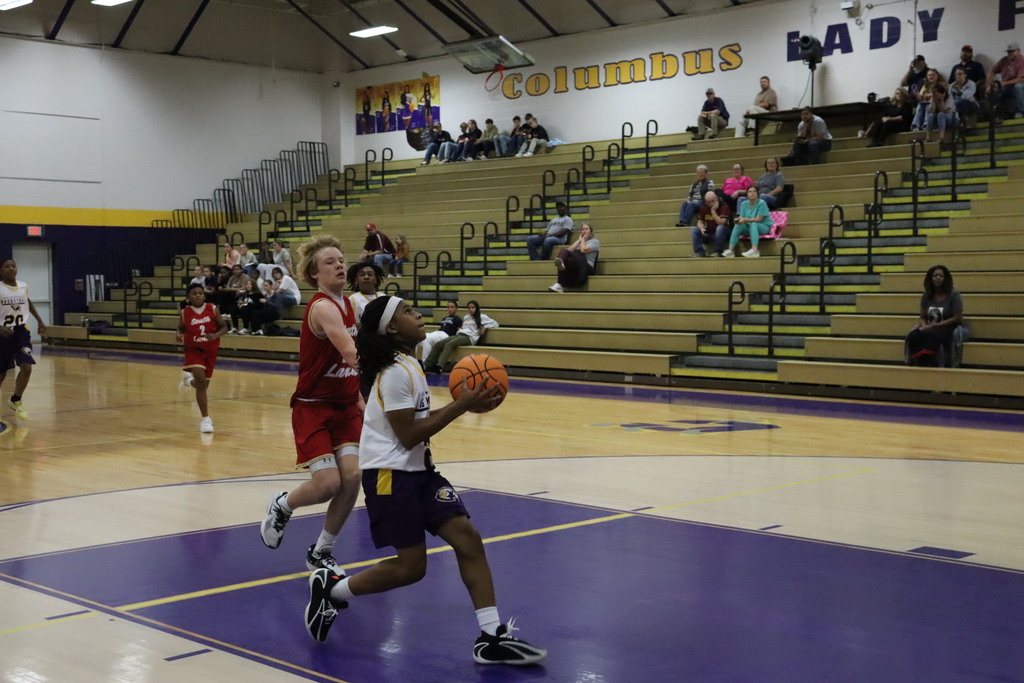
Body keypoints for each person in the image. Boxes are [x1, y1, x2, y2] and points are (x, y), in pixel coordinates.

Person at [304, 295, 546, 666]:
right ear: (392, 329)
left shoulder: (409, 361)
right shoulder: (395, 372)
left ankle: (491, 636)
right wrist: (461, 405)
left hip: (420, 472)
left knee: (468, 537)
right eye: (406, 311)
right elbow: (407, 435)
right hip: (388, 476)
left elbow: (413, 429)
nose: (417, 314)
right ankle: (333, 592)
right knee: (411, 568)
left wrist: (459, 405)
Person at [260, 235, 365, 580]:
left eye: (341, 259)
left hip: (346, 404)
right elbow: (351, 352)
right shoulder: (322, 307)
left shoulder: (351, 303)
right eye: (329, 261)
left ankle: (322, 550)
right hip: (314, 407)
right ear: (314, 274)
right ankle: (283, 505)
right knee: (328, 484)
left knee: (352, 477)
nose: (339, 265)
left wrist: (363, 396)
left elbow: (353, 361)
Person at [0, 258, 47, 421]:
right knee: (1, 374)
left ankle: (16, 399)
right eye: (7, 266)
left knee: (26, 367)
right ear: (1, 271)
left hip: (20, 332)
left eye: (13, 266)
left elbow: (27, 302)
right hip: (2, 334)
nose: (11, 269)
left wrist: (40, 320)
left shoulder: (23, 286)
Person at [177, 282, 227, 433]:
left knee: (202, 385)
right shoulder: (185, 313)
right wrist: (179, 335)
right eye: (194, 293)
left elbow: (224, 327)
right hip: (193, 350)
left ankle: (187, 380)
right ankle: (205, 419)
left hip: (210, 351)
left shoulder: (212, 308)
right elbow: (181, 328)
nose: (198, 295)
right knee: (200, 380)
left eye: (200, 293)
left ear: (204, 295)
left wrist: (215, 335)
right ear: (188, 298)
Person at [905, 265, 966, 367]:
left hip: (950, 326)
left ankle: (938, 365)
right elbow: (922, 316)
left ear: (946, 278)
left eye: (941, 276)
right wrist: (924, 325)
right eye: (935, 275)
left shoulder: (954, 294)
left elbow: (956, 318)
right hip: (930, 326)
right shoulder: (926, 295)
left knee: (934, 335)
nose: (938, 277)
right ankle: (915, 361)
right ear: (930, 278)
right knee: (913, 335)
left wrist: (934, 326)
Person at [423, 300, 498, 373]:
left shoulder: (482, 317)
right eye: (469, 308)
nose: (471, 309)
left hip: (469, 337)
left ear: (477, 308)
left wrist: (484, 327)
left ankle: (439, 366)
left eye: (473, 307)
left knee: (449, 344)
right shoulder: (466, 317)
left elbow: (495, 323)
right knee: (438, 344)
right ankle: (427, 365)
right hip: (460, 334)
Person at [723, 186, 774, 258]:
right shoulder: (744, 204)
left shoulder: (762, 203)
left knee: (754, 224)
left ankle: (755, 250)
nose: (752, 193)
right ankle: (731, 250)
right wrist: (738, 220)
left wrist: (745, 220)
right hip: (750, 226)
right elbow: (742, 217)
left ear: (757, 194)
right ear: (747, 194)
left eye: (754, 191)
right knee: (738, 225)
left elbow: (758, 219)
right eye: (750, 192)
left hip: (764, 227)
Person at [549, 222, 599, 292]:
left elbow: (583, 250)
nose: (584, 231)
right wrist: (579, 239)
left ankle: (560, 282)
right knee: (564, 256)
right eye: (583, 229)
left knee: (565, 255)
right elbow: (570, 250)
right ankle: (559, 284)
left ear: (591, 231)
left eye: (586, 229)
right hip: (577, 266)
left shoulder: (594, 242)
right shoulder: (580, 241)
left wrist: (583, 240)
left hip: (586, 267)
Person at [986, 42, 1024, 123]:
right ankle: (998, 115)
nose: (1010, 53)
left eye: (1012, 51)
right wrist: (988, 86)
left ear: (1019, 51)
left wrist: (1004, 83)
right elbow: (991, 72)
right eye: (1008, 52)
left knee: (1018, 87)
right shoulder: (1004, 60)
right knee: (993, 91)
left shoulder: (1022, 61)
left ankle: (1019, 112)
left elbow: (1021, 79)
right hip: (1005, 87)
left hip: (1017, 86)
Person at [690, 191, 731, 258]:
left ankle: (718, 252)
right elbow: (700, 221)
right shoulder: (704, 207)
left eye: (713, 201)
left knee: (720, 228)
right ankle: (699, 252)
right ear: (706, 201)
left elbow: (721, 223)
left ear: (716, 198)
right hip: (709, 233)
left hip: (723, 234)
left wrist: (713, 211)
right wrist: (702, 228)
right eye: (709, 202)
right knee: (694, 230)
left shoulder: (724, 206)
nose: (711, 204)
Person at [221, 264, 250, 334]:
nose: (236, 271)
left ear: (241, 270)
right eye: (234, 269)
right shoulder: (232, 278)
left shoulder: (245, 277)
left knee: (243, 307)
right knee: (232, 307)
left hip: (245, 297)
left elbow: (244, 288)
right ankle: (235, 327)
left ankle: (246, 328)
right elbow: (228, 287)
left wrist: (230, 289)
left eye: (238, 269)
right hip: (235, 297)